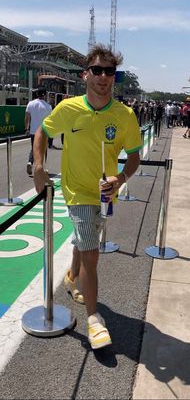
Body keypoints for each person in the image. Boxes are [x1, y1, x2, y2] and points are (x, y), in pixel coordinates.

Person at [33, 44, 142, 350]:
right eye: (97, 70)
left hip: (105, 194)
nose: (103, 77)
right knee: (92, 253)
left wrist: (119, 179)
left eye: (109, 71)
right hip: (77, 191)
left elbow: (134, 156)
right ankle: (94, 320)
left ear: (114, 77)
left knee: (87, 238)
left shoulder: (125, 115)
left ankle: (71, 276)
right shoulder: (69, 109)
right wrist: (39, 166)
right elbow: (43, 132)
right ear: (85, 75)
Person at [25, 86, 52, 175]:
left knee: (34, 147)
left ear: (37, 94)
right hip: (44, 131)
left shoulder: (31, 104)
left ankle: (30, 162)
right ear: (45, 95)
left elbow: (27, 117)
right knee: (43, 149)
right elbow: (50, 120)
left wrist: (26, 128)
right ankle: (42, 168)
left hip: (33, 131)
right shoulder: (48, 106)